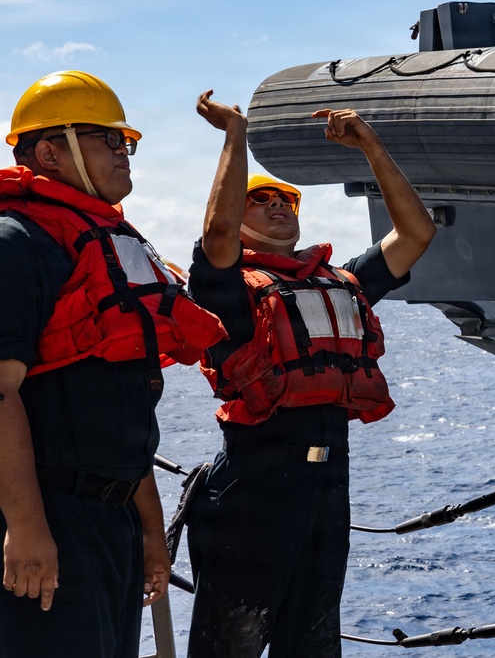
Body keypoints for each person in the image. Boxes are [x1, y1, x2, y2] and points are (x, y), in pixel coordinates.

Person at [183, 90, 435, 657]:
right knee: (231, 647)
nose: (279, 205)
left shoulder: (339, 283)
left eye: (287, 201)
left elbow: (417, 234)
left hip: (327, 487)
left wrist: (370, 145)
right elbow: (218, 238)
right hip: (253, 489)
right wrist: (236, 136)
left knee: (315, 647)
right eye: (262, 199)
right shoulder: (225, 291)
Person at [0, 71, 227, 657]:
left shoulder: (110, 245)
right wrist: (25, 527)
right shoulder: (16, 241)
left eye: (126, 142)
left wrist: (151, 531)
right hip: (51, 519)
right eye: (109, 140)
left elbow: (119, 409)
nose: (125, 154)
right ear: (50, 151)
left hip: (114, 521)